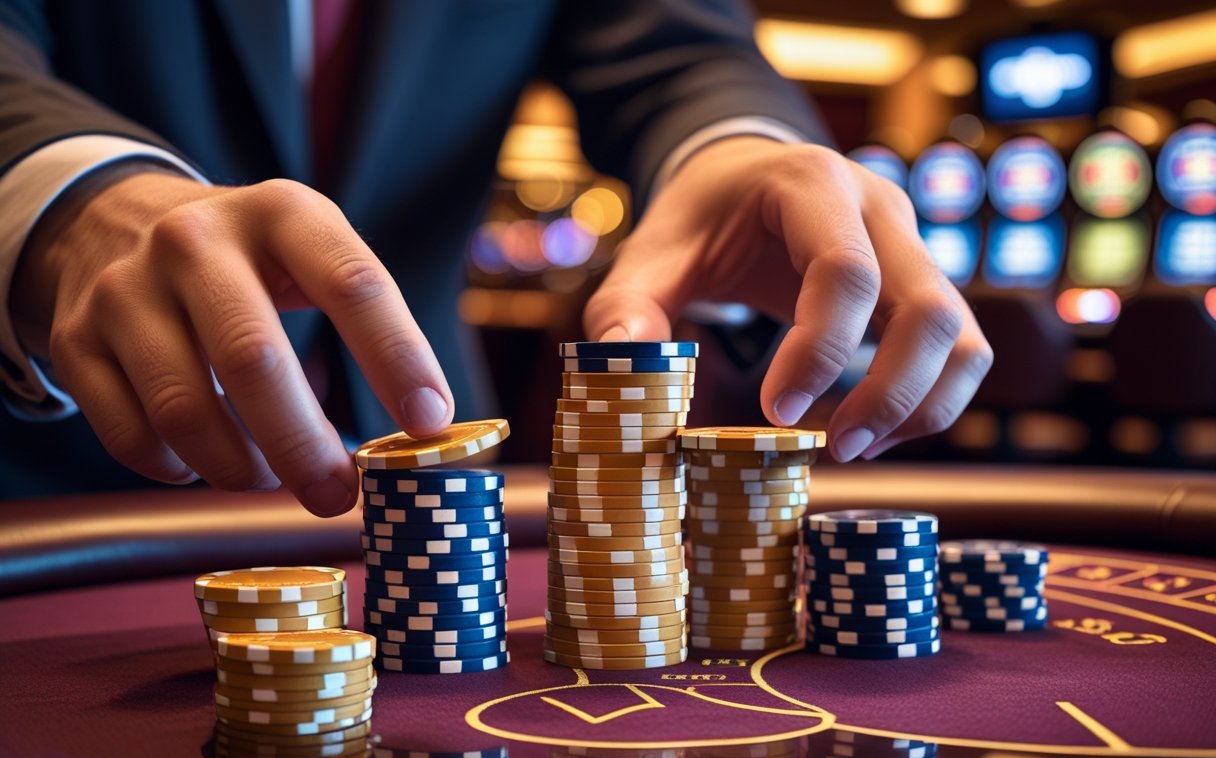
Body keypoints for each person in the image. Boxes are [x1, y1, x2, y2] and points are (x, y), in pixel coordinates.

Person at [0, 0, 992, 516]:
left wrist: (740, 147)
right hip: (66, 482)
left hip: (431, 456)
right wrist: (76, 202)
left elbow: (681, 50)